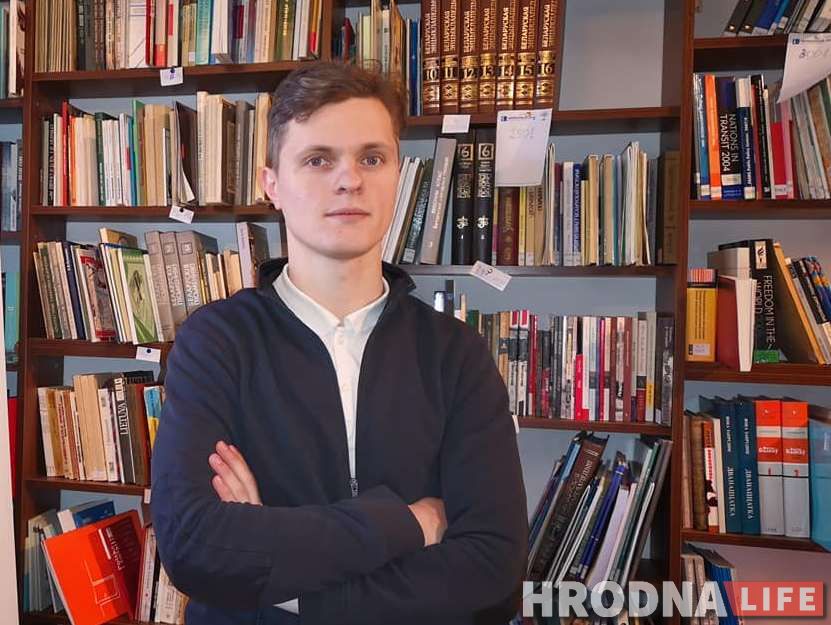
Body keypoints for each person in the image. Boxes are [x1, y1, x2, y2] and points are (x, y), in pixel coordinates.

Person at [150, 61, 528, 625]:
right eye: (318, 159)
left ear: (397, 176)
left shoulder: (457, 354)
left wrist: (283, 581)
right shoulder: (216, 341)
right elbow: (194, 546)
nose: (349, 179)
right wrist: (411, 523)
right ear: (272, 185)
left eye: (371, 158)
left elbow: (493, 566)